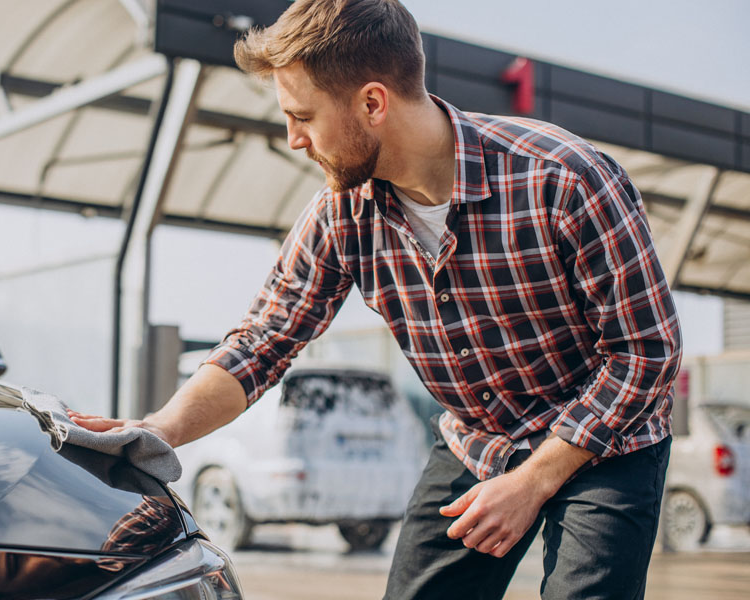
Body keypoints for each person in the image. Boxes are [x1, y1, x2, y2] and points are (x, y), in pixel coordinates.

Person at [69, 1, 682, 598]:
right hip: (479, 436)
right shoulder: (343, 213)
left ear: (372, 103)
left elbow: (646, 353)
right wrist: (158, 430)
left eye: (303, 116)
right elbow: (264, 340)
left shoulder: (563, 178)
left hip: (606, 440)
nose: (293, 139)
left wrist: (532, 482)